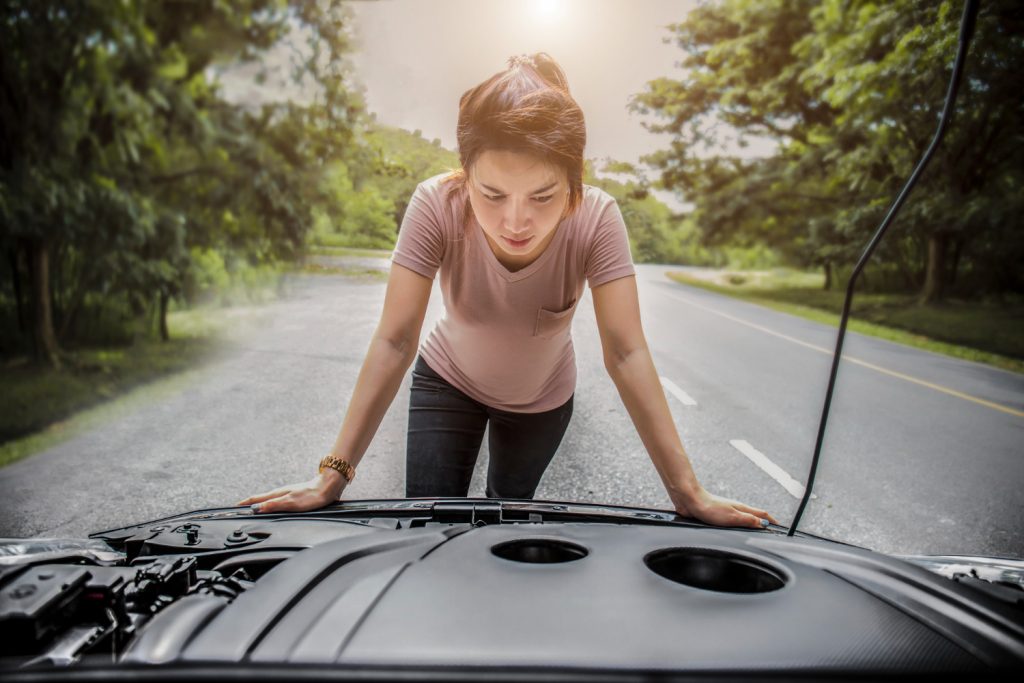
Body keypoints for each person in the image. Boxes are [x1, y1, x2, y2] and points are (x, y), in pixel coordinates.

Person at [238, 53, 777, 529]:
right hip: (447, 380)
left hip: (541, 404)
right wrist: (332, 475)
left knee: (505, 520)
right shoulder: (436, 203)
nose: (515, 222)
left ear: (574, 183)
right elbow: (395, 340)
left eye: (542, 196)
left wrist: (687, 492)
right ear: (465, 174)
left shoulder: (597, 217)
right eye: (492, 195)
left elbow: (626, 352)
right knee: (428, 525)